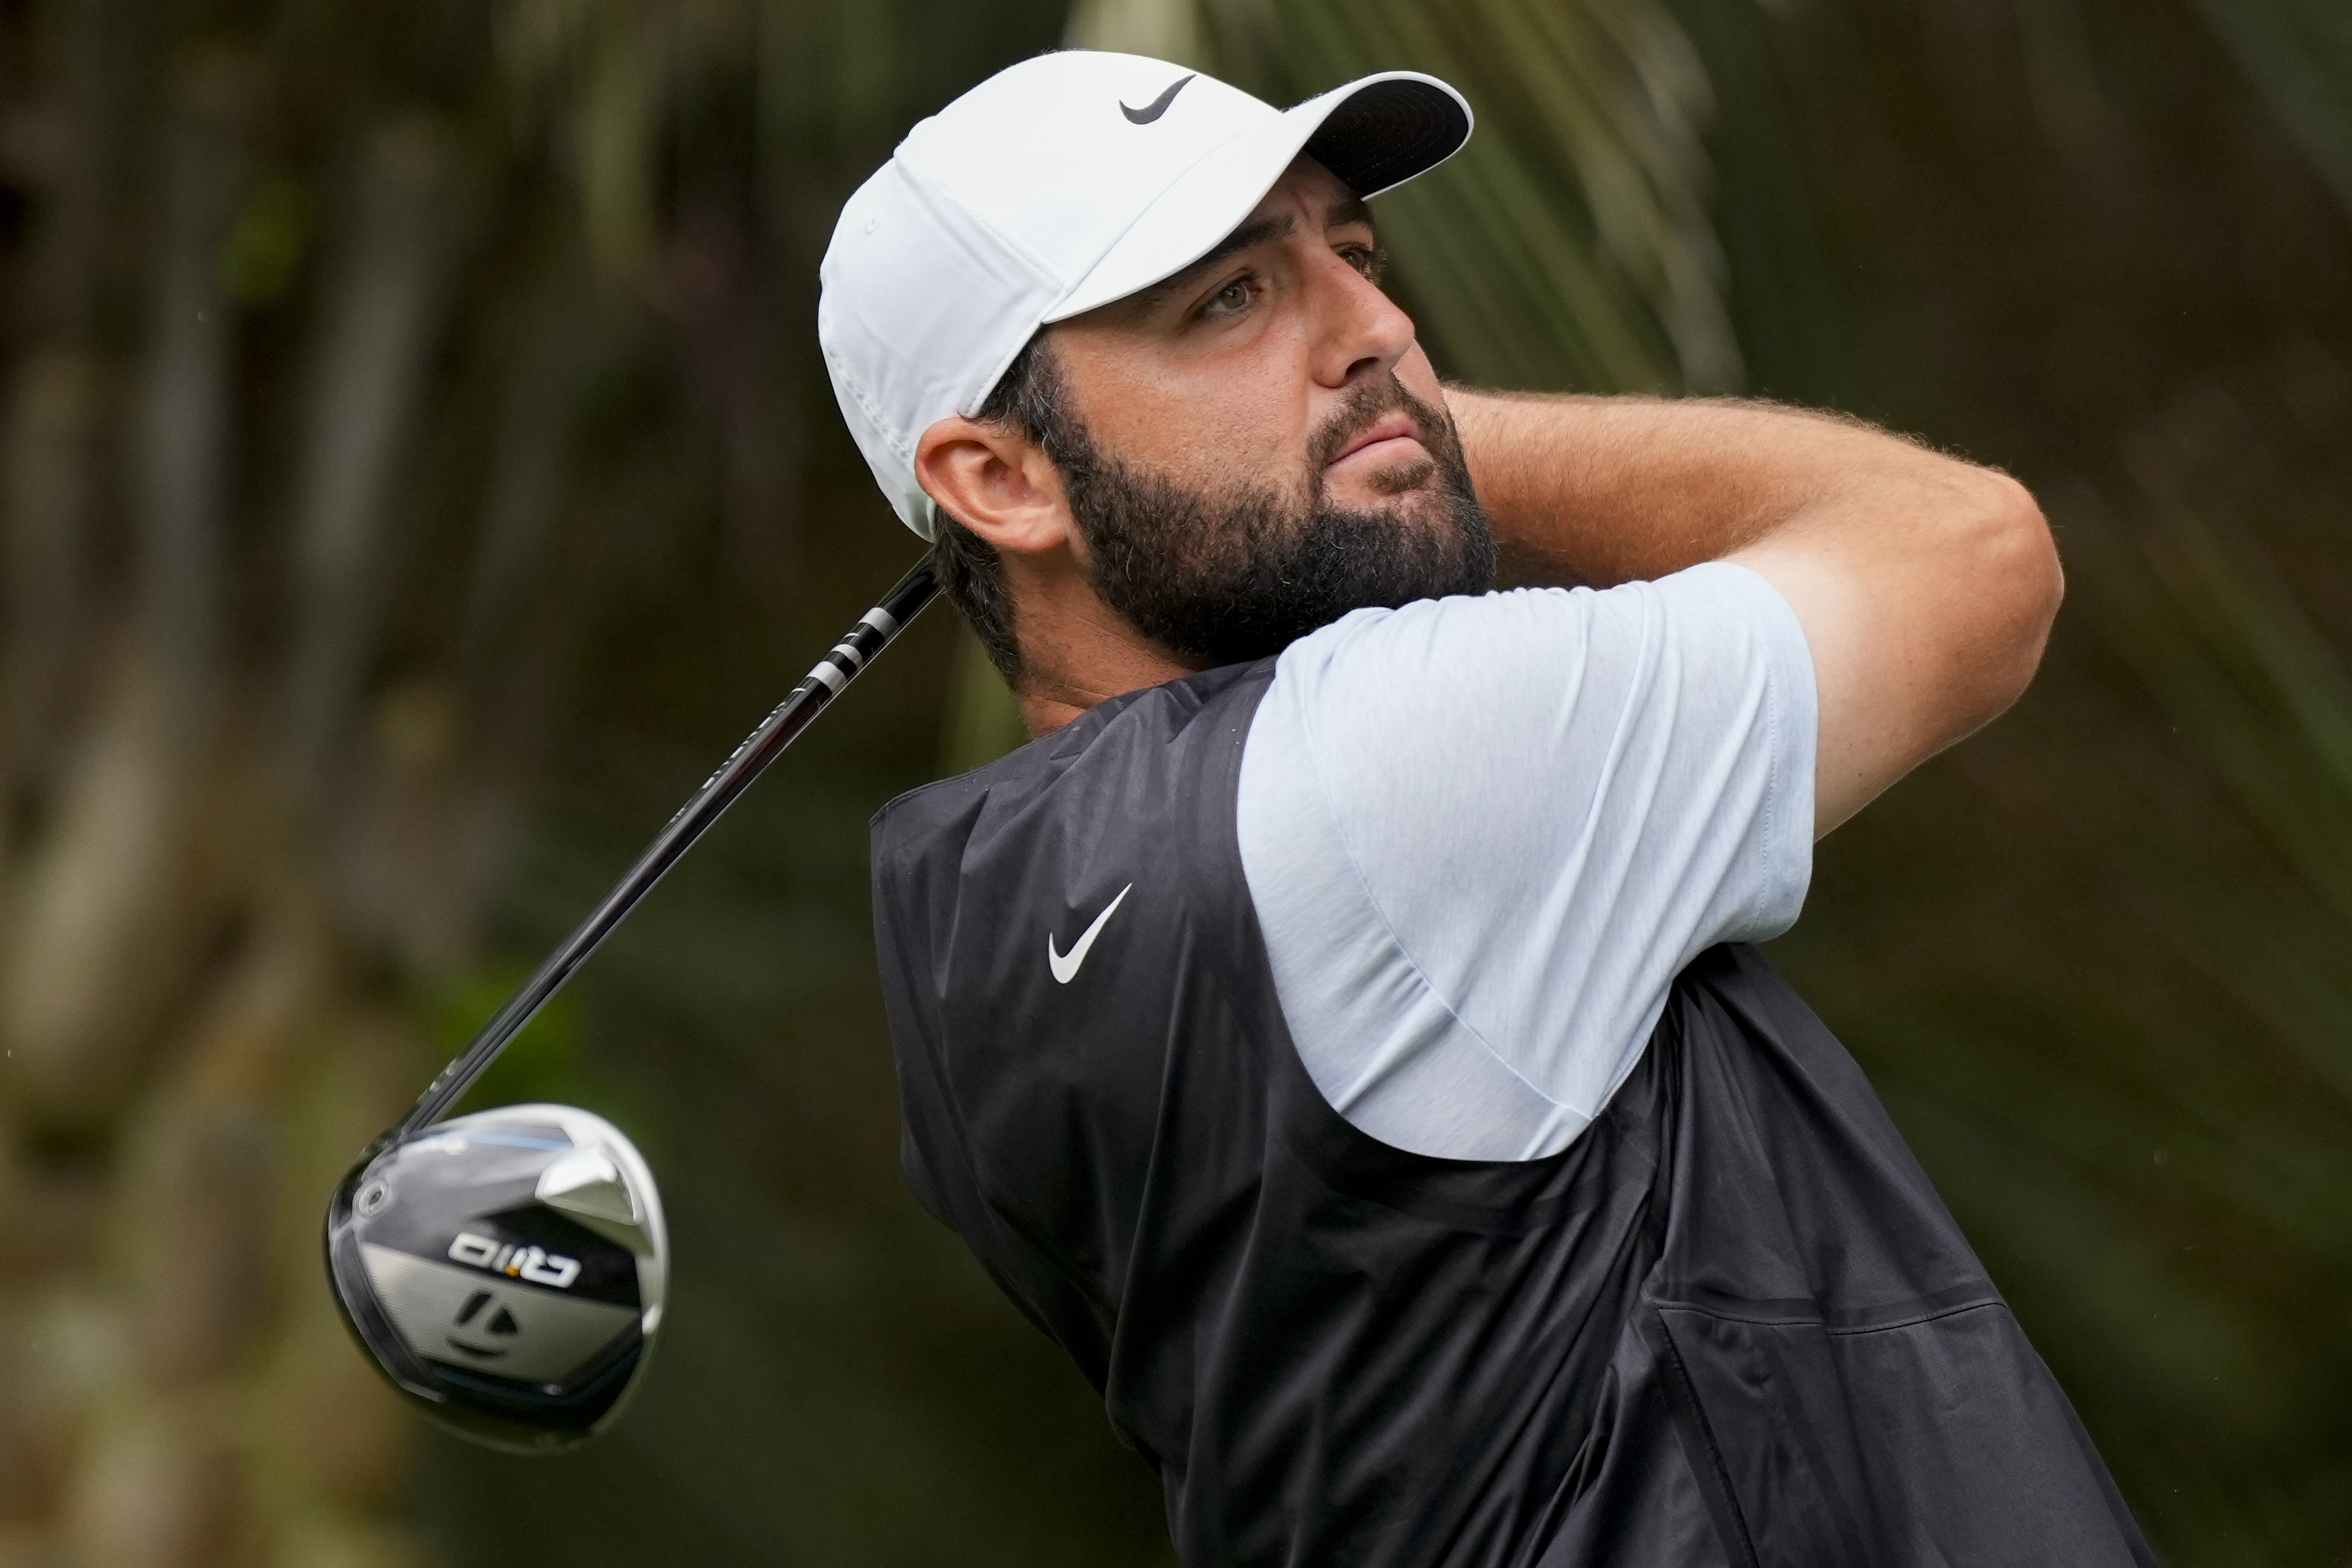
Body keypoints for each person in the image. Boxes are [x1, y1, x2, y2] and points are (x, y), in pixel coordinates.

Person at [820, 51, 2156, 1568]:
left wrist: (1311, 429)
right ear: (995, 478)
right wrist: (1415, 431)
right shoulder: (1373, 762)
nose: (1382, 332)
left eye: (1354, 258)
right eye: (1230, 301)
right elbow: (1969, 555)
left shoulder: (970, 931)